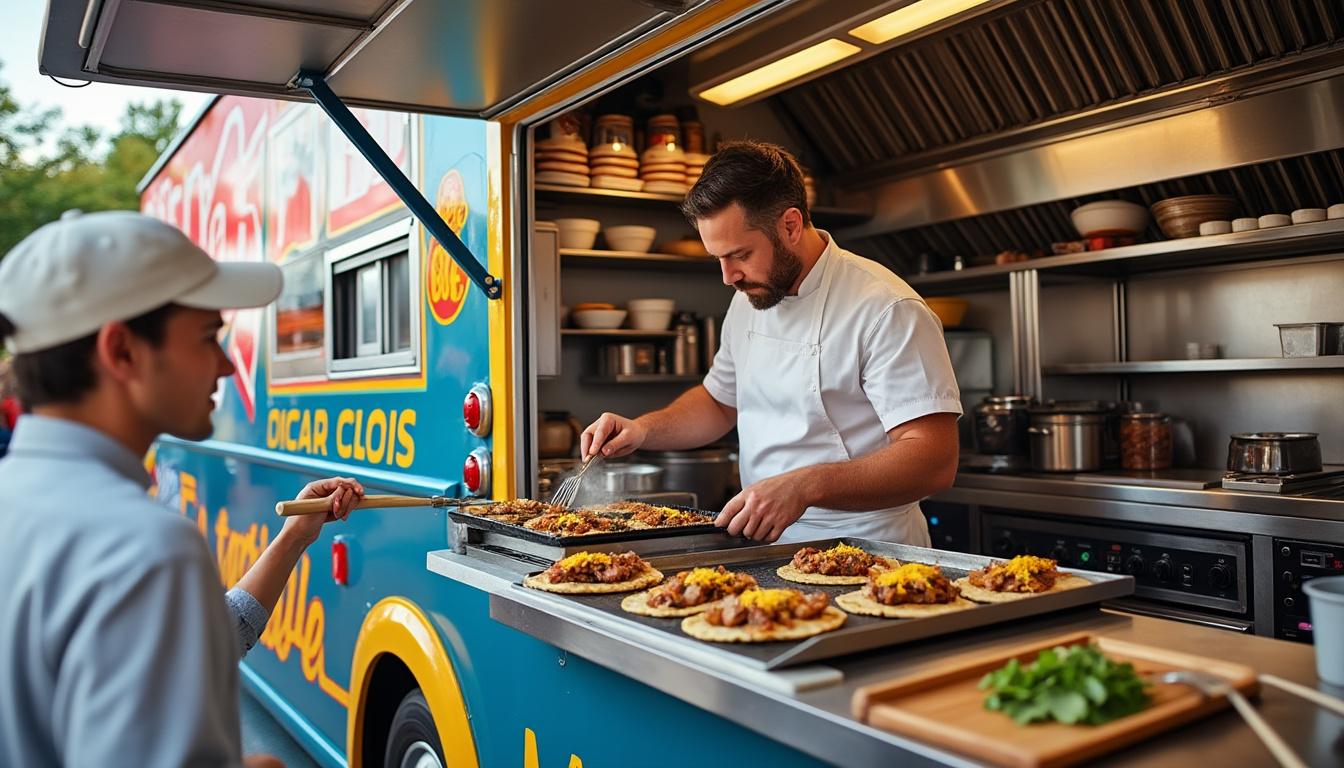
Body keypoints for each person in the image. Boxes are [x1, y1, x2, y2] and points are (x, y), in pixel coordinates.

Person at [0, 211, 364, 768]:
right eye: (207, 337)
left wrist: (293, 537)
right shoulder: (142, 548)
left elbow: (186, 649)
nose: (224, 364)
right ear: (121, 352)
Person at [582, 141, 962, 545]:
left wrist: (805, 486)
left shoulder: (886, 307)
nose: (728, 277)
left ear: (791, 226)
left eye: (740, 254)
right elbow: (718, 402)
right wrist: (642, 430)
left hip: (871, 549)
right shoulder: (748, 298)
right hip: (764, 545)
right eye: (718, 259)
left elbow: (934, 460)